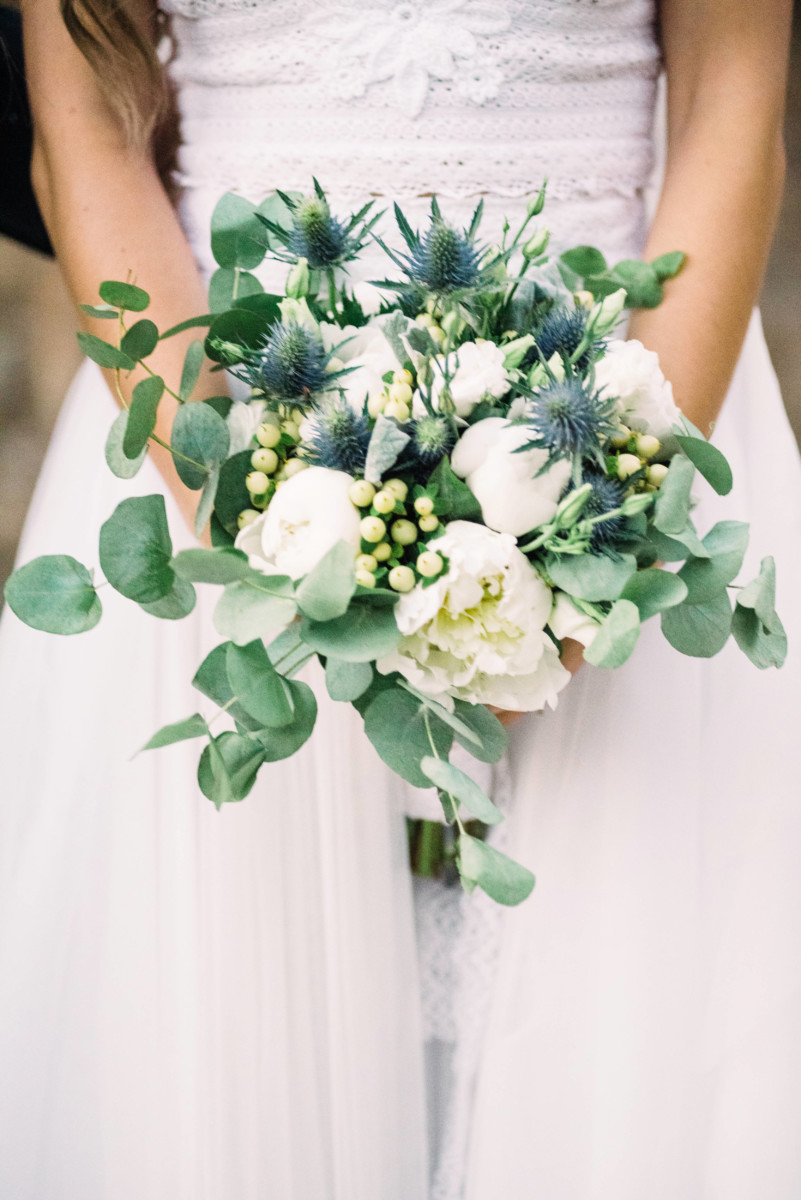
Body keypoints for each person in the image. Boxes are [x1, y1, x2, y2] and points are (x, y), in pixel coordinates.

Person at [1, 1, 799, 1197]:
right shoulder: (238, 512)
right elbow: (86, 141)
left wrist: (595, 550)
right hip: (221, 467)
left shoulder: (618, 502)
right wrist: (270, 542)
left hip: (626, 439)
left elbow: (734, 107)